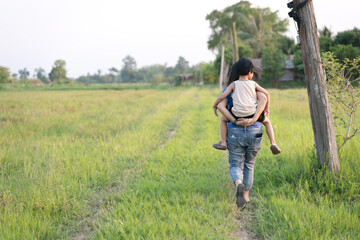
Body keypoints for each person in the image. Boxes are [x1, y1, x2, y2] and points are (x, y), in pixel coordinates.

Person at [212, 58, 281, 155]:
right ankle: (273, 142)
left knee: (223, 119)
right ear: (250, 72)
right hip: (252, 114)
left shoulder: (233, 84)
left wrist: (214, 105)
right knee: (267, 122)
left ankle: (223, 142)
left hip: (236, 115)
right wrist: (266, 109)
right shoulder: (253, 84)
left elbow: (221, 97)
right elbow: (266, 95)